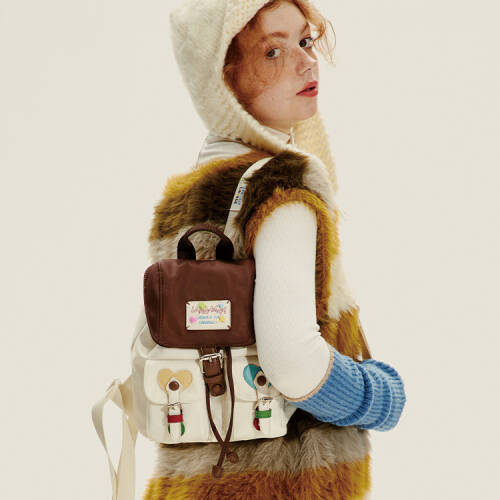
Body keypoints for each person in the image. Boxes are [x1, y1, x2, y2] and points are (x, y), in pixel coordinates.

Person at [142, 1, 406, 498]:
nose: (306, 62)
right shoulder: (283, 189)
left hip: (192, 482)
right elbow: (292, 363)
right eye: (272, 52)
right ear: (223, 78)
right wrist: (378, 396)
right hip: (283, 482)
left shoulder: (185, 198)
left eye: (304, 41)